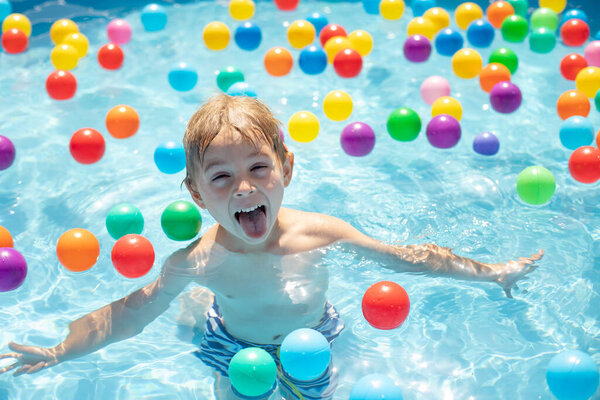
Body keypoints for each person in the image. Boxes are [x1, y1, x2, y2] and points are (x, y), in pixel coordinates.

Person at [0, 95, 543, 399]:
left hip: (316, 335)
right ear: (196, 195)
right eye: (221, 178)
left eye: (259, 168)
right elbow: (133, 313)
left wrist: (492, 272)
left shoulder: (322, 233)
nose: (244, 187)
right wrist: (58, 351)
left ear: (286, 167)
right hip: (231, 347)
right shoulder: (197, 261)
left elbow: (408, 256)